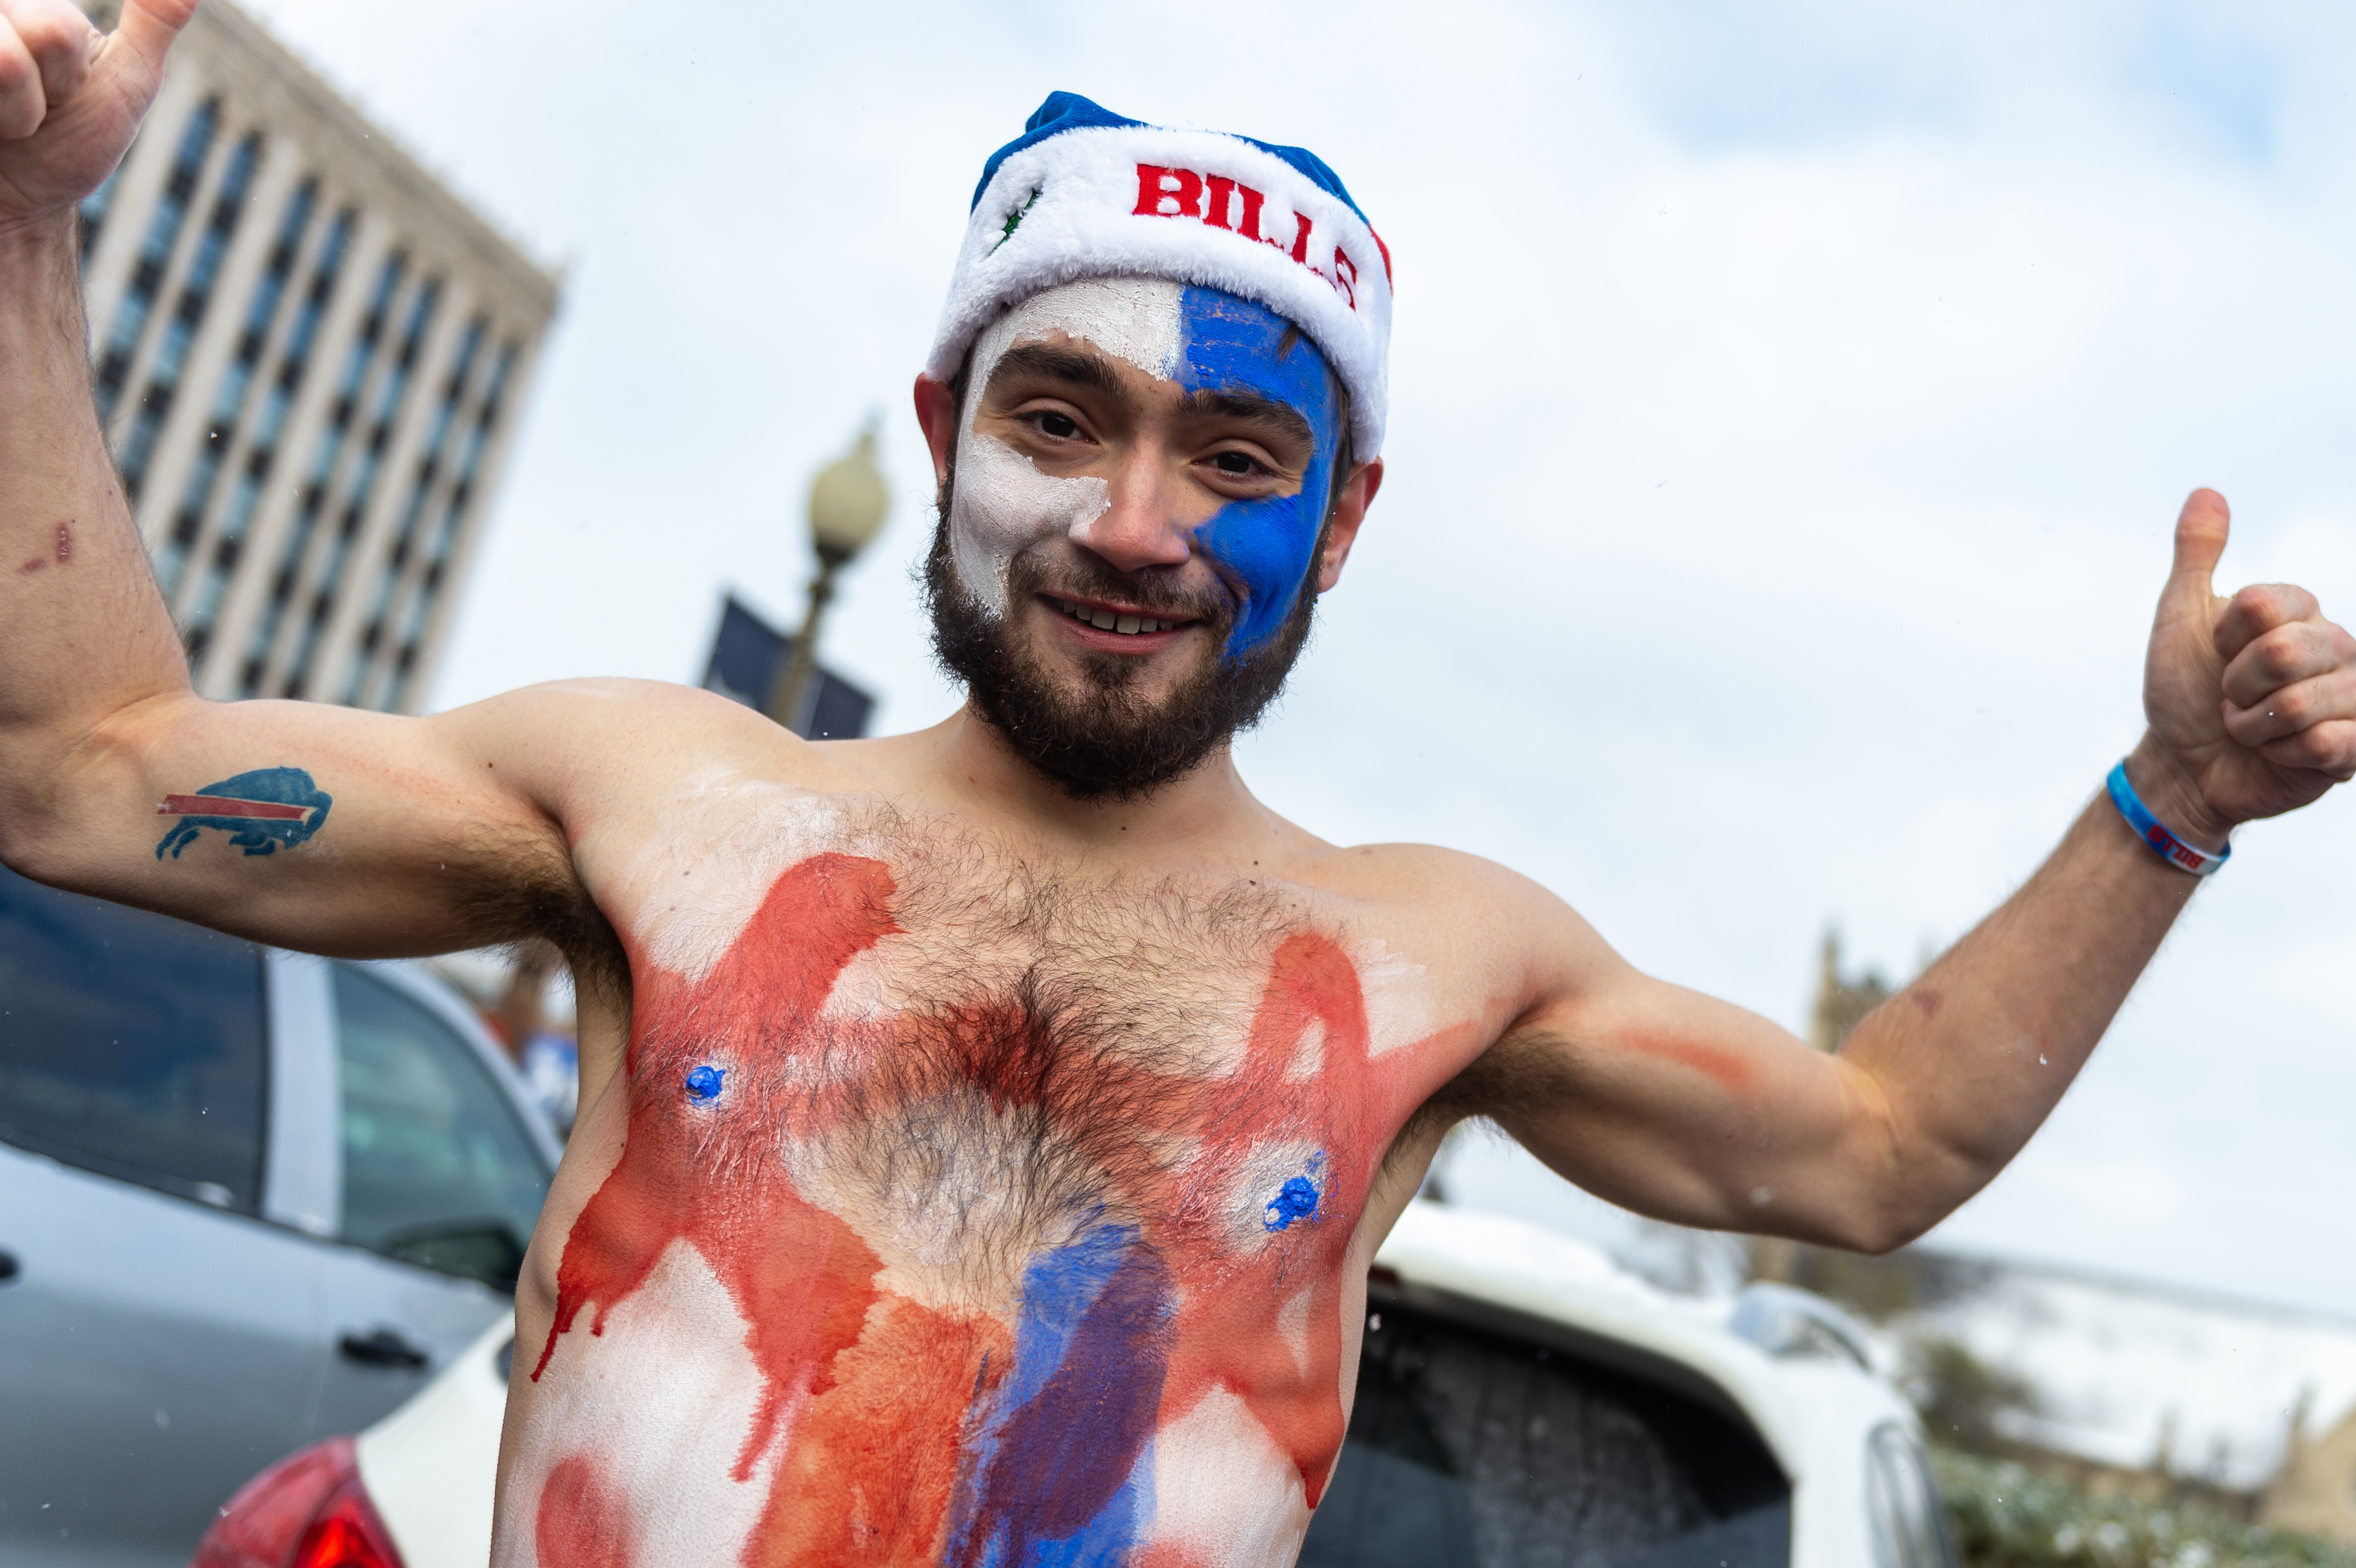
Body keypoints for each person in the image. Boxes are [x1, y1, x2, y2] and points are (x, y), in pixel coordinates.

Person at [2, 6, 2352, 1564]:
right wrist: (22, 237)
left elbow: (1876, 1145)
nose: (1134, 522)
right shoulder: (657, 802)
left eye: (1232, 454)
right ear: (940, 436)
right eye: (1060, 421)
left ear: (1333, 523)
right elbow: (97, 783)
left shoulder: (1438, 963)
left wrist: (2168, 801)